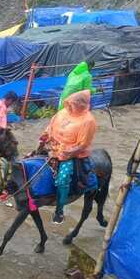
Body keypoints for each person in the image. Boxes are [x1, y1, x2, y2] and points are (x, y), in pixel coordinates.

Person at [41, 90, 97, 224]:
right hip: (52, 147)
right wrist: (45, 136)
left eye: (75, 104)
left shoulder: (88, 121)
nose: (71, 106)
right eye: (70, 103)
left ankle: (59, 210)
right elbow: (50, 126)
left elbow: (83, 144)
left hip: (71, 154)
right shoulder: (62, 112)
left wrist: (66, 153)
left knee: (63, 179)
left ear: (82, 105)